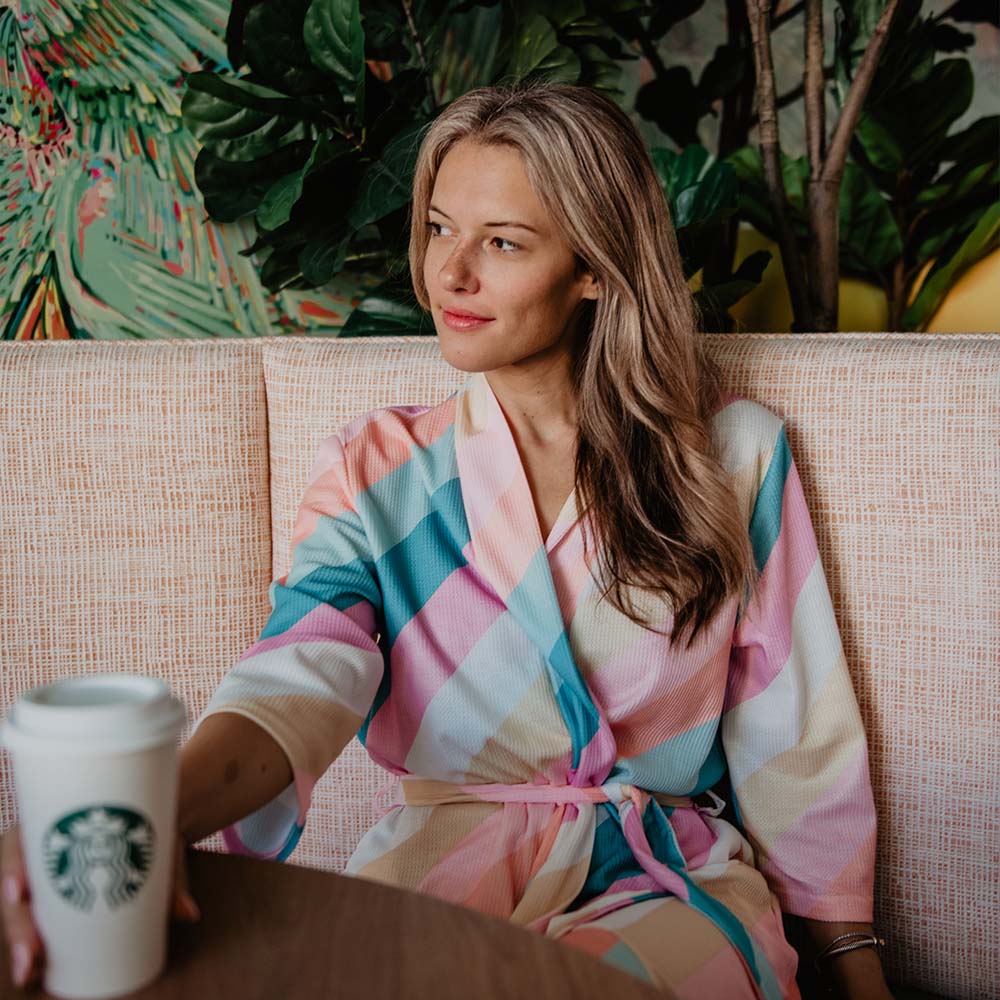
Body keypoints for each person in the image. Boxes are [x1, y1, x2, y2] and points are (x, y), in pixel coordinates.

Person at [2, 80, 891, 999]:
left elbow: (796, 735)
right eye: (438, 228)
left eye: (502, 242)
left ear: (593, 266)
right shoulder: (378, 471)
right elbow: (298, 677)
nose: (449, 275)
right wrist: (133, 818)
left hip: (667, 887)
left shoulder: (733, 457)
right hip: (440, 874)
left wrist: (857, 970)